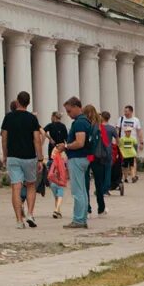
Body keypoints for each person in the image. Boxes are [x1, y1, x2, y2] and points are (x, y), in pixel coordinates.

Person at [1, 91, 44, 229]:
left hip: (13, 156)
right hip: (29, 157)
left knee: (16, 187)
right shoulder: (32, 119)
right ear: (28, 103)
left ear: (18, 102)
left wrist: (5, 154)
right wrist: (40, 158)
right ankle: (30, 213)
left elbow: (4, 138)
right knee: (31, 185)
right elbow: (37, 139)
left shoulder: (8, 117)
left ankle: (19, 220)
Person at [61, 97, 90, 229]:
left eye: (69, 110)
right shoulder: (85, 121)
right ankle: (82, 218)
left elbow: (80, 142)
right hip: (84, 158)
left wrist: (66, 146)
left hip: (77, 158)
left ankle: (78, 219)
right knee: (82, 190)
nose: (68, 114)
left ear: (76, 107)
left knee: (77, 191)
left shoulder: (79, 123)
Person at [84, 105, 109, 216]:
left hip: (86, 156)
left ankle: (87, 208)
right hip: (98, 157)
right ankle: (101, 208)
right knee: (99, 183)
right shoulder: (100, 126)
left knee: (85, 184)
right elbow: (106, 143)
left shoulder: (84, 125)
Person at [117, 105, 144, 172]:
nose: (125, 113)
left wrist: (141, 142)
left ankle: (133, 175)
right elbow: (117, 130)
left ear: (131, 111)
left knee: (133, 159)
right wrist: (117, 140)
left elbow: (139, 131)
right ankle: (124, 175)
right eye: (124, 111)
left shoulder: (136, 120)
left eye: (126, 111)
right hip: (123, 142)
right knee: (123, 159)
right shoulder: (121, 119)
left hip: (132, 142)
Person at [47, 143, 68, 219]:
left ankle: (58, 212)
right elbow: (66, 168)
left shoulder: (54, 155)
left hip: (53, 181)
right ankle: (56, 210)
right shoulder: (63, 158)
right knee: (60, 196)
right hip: (60, 181)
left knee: (56, 197)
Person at [100, 111, 118, 193]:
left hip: (99, 152)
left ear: (102, 117)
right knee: (108, 171)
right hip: (108, 151)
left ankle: (100, 188)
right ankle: (106, 188)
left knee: (100, 171)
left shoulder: (98, 127)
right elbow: (118, 140)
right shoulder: (112, 128)